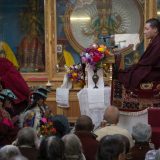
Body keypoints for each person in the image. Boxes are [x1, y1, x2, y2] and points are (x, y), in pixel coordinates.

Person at [118, 18, 160, 91]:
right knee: (128, 71)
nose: (144, 32)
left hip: (156, 71)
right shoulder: (154, 40)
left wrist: (138, 64)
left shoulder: (158, 42)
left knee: (133, 74)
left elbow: (151, 60)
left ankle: (132, 94)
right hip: (150, 68)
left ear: (155, 29)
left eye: (147, 29)